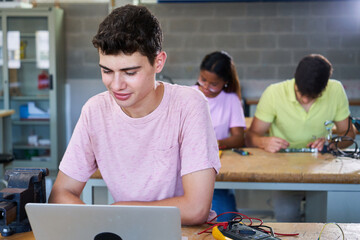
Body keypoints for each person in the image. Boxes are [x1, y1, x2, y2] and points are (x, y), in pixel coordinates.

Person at [48, 5, 221, 226]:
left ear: (158, 62)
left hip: (183, 232)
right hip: (126, 228)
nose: (116, 85)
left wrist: (121, 211)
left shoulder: (189, 105)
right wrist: (100, 222)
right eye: (106, 71)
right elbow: (61, 193)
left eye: (130, 73)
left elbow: (196, 208)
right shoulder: (95, 110)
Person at [245, 54, 356, 221]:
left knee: (326, 220)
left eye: (313, 96)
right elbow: (250, 137)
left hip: (323, 171)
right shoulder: (274, 93)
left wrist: (332, 143)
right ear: (295, 80)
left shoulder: (335, 90)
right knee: (286, 219)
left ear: (325, 87)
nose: (305, 99)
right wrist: (263, 141)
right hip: (285, 171)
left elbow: (349, 135)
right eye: (300, 93)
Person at [193, 51, 246, 221]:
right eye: (203, 79)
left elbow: (238, 138)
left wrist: (212, 143)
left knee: (225, 218)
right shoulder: (189, 95)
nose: (206, 86)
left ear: (225, 82)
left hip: (216, 169)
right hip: (189, 167)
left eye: (213, 83)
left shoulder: (231, 100)